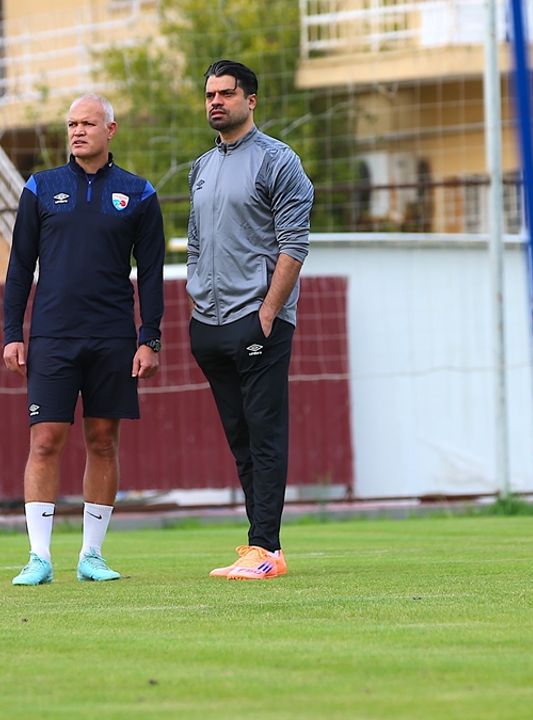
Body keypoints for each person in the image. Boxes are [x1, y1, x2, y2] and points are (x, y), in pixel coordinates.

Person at [2, 94, 165, 585]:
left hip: (113, 336)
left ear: (110, 130)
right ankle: (39, 557)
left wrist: (150, 338)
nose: (77, 131)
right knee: (45, 440)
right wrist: (12, 333)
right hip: (52, 336)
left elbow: (151, 273)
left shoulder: (138, 193)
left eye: (87, 123)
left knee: (103, 440)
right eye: (72, 124)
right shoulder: (40, 187)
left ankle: (91, 555)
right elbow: (19, 266)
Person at [186, 60, 313, 580]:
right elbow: (196, 244)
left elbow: (294, 244)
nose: (215, 102)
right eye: (209, 95)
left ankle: (267, 549)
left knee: (264, 435)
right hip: (208, 323)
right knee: (240, 439)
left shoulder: (279, 161)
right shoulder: (200, 167)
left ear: (251, 100)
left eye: (226, 93)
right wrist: (196, 298)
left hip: (258, 320)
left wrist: (267, 312)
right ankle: (257, 544)